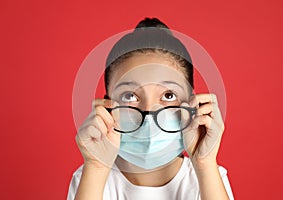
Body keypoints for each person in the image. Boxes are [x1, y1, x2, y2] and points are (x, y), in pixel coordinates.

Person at [67, 17, 234, 200]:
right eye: (129, 96)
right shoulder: (91, 177)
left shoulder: (209, 178)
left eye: (168, 96)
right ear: (106, 108)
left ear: (192, 107)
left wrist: (204, 164)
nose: (147, 114)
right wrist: (96, 167)